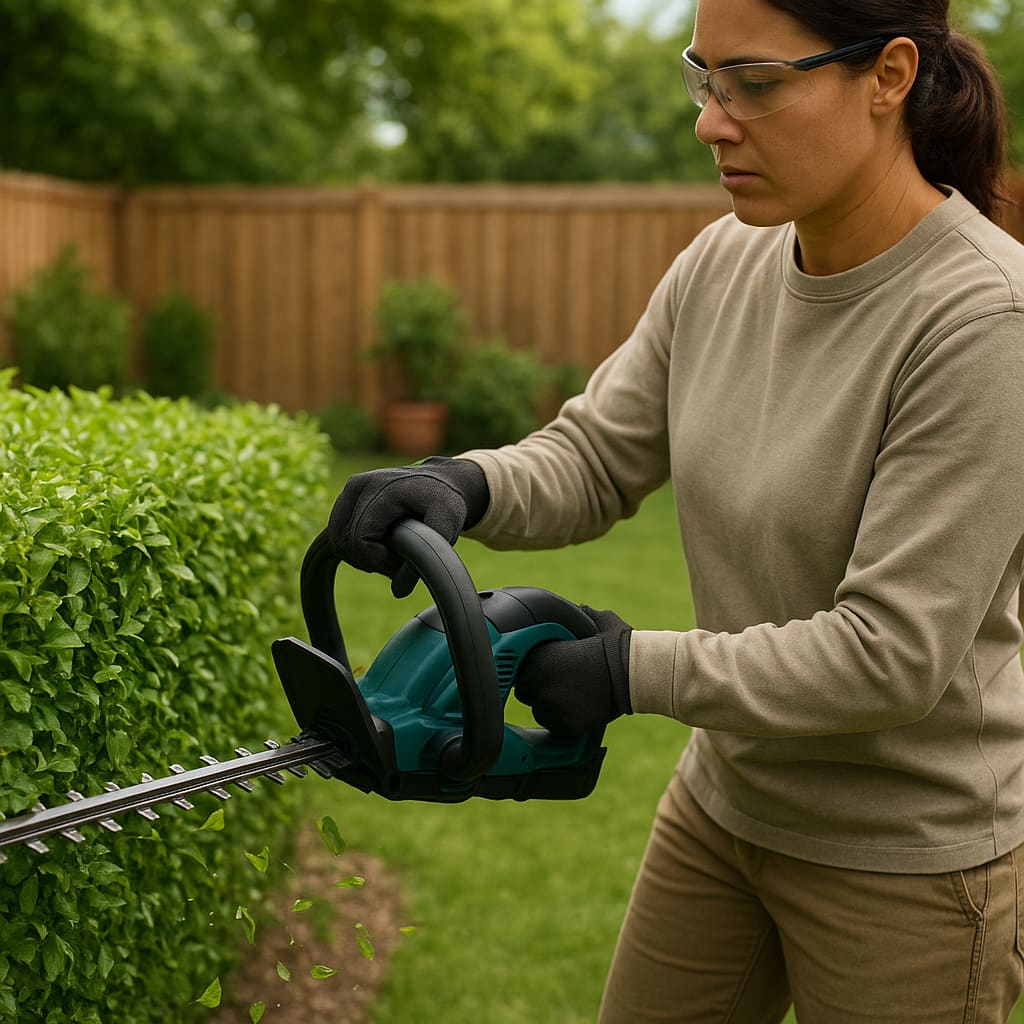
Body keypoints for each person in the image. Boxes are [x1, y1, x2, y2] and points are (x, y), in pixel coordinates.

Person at [327, 0, 1024, 1019]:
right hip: (725, 806)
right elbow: (597, 455)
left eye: (755, 84)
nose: (711, 120)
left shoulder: (982, 320)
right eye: (705, 79)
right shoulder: (723, 263)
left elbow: (890, 652)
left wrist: (624, 670)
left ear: (889, 77)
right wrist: (463, 483)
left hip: (906, 860)